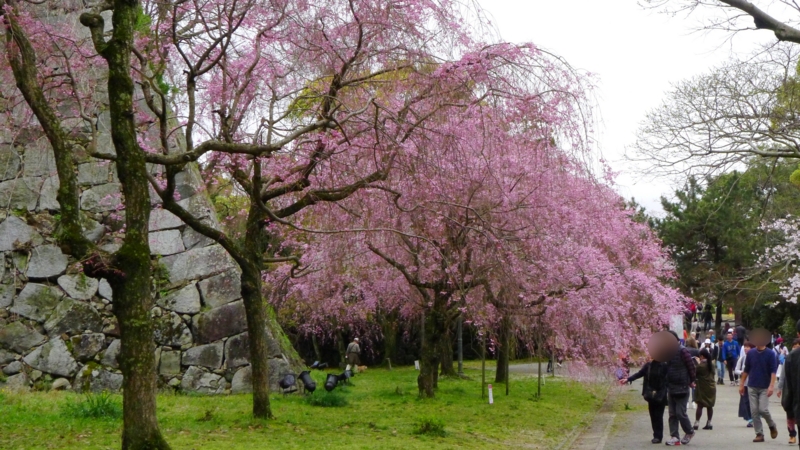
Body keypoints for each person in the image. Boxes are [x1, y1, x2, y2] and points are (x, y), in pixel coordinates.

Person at [740, 329, 779, 443]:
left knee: (763, 409)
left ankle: (771, 425)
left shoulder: (771, 354)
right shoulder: (751, 353)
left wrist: (772, 386)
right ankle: (759, 434)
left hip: (764, 386)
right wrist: (742, 384)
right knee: (754, 411)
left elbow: (773, 371)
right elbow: (746, 370)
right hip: (752, 385)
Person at [623, 359, 669, 444]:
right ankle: (656, 434)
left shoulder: (665, 365)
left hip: (661, 393)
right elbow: (640, 373)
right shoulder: (649, 365)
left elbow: (670, 378)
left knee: (658, 415)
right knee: (652, 415)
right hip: (650, 393)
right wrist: (628, 379)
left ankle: (658, 436)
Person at [665, 331, 697, 446]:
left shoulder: (683, 351)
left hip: (682, 385)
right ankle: (674, 436)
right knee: (672, 413)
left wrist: (692, 380)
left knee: (680, 412)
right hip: (671, 386)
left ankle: (689, 431)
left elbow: (691, 367)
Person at [777, 337, 800, 445]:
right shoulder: (790, 358)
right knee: (790, 413)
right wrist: (780, 388)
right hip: (791, 391)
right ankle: (792, 434)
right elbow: (783, 376)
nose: (796, 348)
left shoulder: (793, 357)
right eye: (794, 346)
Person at [693, 348, 716, 430]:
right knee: (710, 406)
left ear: (702, 356)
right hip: (712, 386)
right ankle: (709, 422)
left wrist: (697, 363)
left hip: (702, 387)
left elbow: (694, 373)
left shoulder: (700, 366)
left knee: (700, 405)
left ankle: (697, 422)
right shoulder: (711, 364)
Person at [735, 341, 754, 427]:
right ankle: (750, 419)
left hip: (754, 383)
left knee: (753, 402)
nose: (746, 349)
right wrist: (742, 372)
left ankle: (755, 418)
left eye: (748, 347)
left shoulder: (755, 358)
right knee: (746, 401)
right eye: (745, 347)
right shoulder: (742, 358)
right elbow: (736, 370)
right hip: (745, 384)